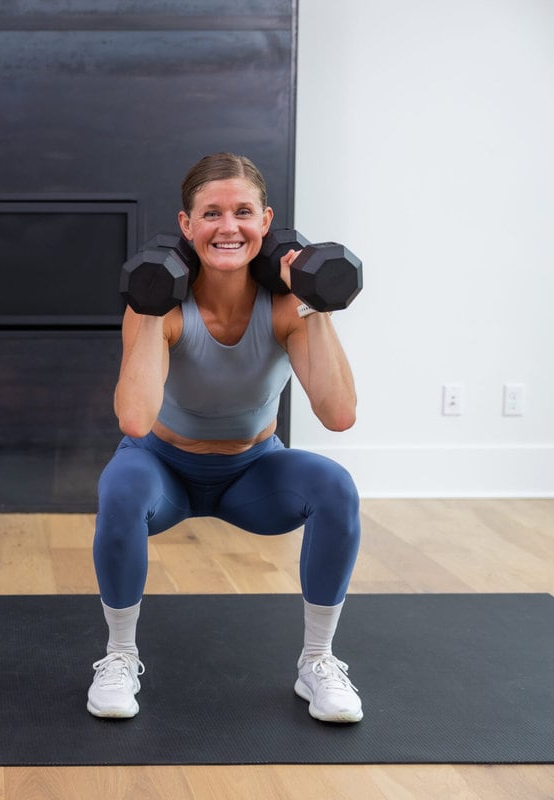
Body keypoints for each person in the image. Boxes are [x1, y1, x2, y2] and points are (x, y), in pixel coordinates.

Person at [86, 152, 362, 722]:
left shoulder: (288, 305)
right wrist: (146, 305)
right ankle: (119, 656)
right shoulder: (159, 307)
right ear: (186, 226)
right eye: (211, 214)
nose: (228, 227)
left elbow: (337, 415)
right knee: (120, 489)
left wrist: (314, 301)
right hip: (162, 466)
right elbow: (136, 420)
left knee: (335, 486)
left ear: (266, 221)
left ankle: (318, 660)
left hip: (253, 472)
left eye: (242, 212)